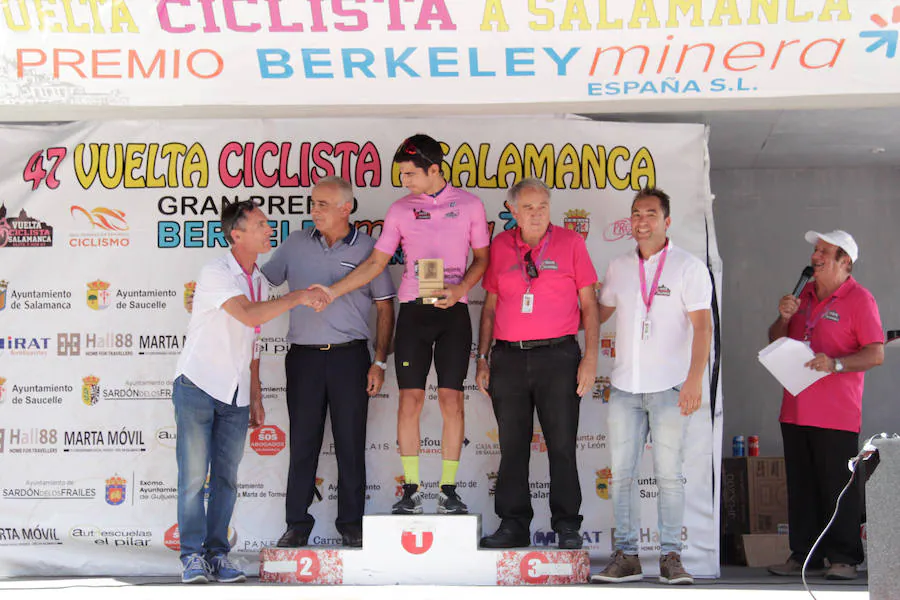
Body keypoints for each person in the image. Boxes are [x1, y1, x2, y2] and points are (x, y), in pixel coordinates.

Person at [310, 134, 490, 515]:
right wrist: (334, 291)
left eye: (410, 174)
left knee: (450, 399)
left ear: (435, 170)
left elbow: (482, 259)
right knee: (409, 399)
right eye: (402, 174)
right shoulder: (400, 209)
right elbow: (376, 264)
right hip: (413, 310)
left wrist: (461, 289)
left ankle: (448, 491)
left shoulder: (471, 205)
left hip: (452, 311)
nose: (405, 181)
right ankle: (410, 489)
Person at [173, 200, 316, 584]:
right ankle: (191, 556)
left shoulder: (258, 279)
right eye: (261, 224)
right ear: (236, 234)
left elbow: (253, 340)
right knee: (192, 478)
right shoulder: (216, 271)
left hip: (235, 394)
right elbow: (251, 316)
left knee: (226, 479)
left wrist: (255, 393)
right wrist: (298, 297)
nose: (270, 229)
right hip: (198, 385)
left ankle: (217, 555)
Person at [261, 177, 396, 549]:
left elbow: (385, 307)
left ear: (345, 208)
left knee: (351, 444)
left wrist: (380, 361)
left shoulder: (371, 248)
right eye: (312, 203)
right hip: (303, 359)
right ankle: (297, 524)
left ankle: (351, 523)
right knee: (303, 443)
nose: (314, 210)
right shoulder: (294, 244)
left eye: (322, 204)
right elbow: (261, 285)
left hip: (351, 359)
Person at [592, 187, 712, 586]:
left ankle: (670, 558)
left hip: (670, 388)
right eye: (636, 214)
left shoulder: (688, 267)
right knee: (622, 475)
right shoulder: (620, 266)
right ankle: (625, 556)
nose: (642, 221)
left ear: (667, 221)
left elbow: (703, 327)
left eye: (650, 214)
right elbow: (597, 313)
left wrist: (695, 379)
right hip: (625, 388)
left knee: (668, 477)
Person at [475, 178, 598, 550]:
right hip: (508, 357)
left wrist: (590, 357)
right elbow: (490, 308)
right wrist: (482, 359)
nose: (536, 213)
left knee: (561, 444)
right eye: (528, 207)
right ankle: (513, 524)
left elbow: (590, 305)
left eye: (542, 205)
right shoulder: (500, 246)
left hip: (558, 356)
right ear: (512, 210)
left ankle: (566, 525)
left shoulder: (571, 243)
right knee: (512, 446)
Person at [766, 230, 883, 581]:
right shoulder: (804, 294)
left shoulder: (860, 300)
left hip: (836, 413)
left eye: (824, 251)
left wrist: (836, 364)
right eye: (815, 250)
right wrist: (784, 317)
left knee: (838, 487)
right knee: (801, 487)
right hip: (795, 407)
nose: (815, 256)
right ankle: (804, 555)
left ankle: (844, 557)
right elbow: (775, 340)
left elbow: (875, 353)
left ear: (844, 261)